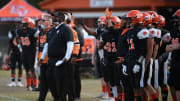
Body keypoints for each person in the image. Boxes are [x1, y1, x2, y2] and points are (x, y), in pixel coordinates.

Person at [40, 11, 74, 101]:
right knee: (51, 81)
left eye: (56, 17)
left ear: (62, 18)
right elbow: (47, 45)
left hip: (61, 60)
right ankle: (56, 97)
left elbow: (70, 44)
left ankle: (61, 99)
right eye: (53, 17)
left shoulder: (66, 29)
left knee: (60, 83)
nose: (54, 18)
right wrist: (42, 57)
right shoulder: (52, 30)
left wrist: (67, 57)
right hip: (51, 60)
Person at [17, 17, 39, 90]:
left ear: (29, 24)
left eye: (26, 24)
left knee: (32, 69)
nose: (24, 25)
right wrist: (20, 45)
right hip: (24, 52)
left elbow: (38, 38)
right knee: (27, 70)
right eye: (23, 23)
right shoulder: (19, 31)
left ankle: (35, 85)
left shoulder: (33, 31)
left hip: (32, 52)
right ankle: (28, 85)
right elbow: (18, 39)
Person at [166, 9, 180, 101]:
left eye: (177, 18)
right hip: (175, 61)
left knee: (178, 85)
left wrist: (175, 47)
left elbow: (177, 46)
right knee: (171, 83)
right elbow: (167, 48)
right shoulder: (173, 31)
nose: (175, 20)